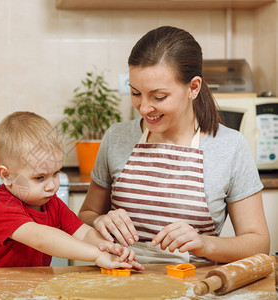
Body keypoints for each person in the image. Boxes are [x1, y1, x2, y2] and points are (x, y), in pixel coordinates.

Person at [79, 26, 270, 264]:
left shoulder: (230, 146)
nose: (145, 108)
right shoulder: (117, 137)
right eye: (136, 93)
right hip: (120, 279)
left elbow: (258, 242)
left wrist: (205, 244)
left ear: (193, 88)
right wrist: (99, 220)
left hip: (194, 286)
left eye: (158, 97)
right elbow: (85, 216)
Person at [0, 111, 144, 270]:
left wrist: (109, 247)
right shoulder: (1, 204)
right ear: (7, 176)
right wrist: (97, 255)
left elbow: (84, 232)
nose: (52, 185)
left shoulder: (52, 204)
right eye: (39, 178)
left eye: (56, 173)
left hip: (23, 286)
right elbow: (41, 238)